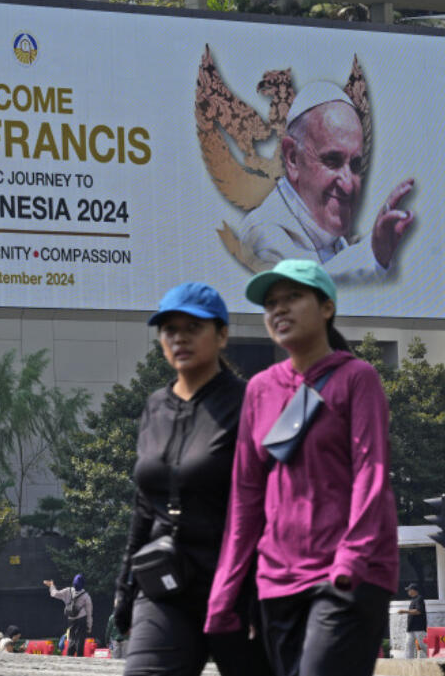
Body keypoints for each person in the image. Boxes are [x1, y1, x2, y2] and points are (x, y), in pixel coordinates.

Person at [205, 260, 399, 676]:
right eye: (271, 303)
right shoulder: (260, 389)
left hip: (347, 577)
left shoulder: (357, 378)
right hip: (276, 581)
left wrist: (351, 560)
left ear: (326, 307)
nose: (279, 309)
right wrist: (226, 586)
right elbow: (246, 497)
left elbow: (372, 473)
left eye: (294, 297)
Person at [114, 281, 269, 676]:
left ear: (221, 334)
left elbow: (271, 503)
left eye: (192, 327)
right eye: (169, 329)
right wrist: (125, 587)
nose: (179, 338)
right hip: (165, 585)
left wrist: (259, 590)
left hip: (237, 587)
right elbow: (144, 504)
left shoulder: (249, 401)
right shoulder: (155, 406)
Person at [237, 82, 414, 283]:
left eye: (355, 165)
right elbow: (305, 296)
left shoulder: (330, 237)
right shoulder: (262, 233)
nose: (348, 185)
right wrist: (373, 252)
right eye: (332, 161)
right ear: (293, 158)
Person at [44, 575, 92, 656]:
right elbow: (89, 612)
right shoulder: (85, 596)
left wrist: (52, 585)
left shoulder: (67, 591)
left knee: (71, 638)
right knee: (80, 639)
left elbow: (54, 594)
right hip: (81, 619)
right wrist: (89, 626)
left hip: (71, 619)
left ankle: (70, 655)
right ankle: (80, 656)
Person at [399, 584, 427, 658]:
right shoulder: (413, 600)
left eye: (409, 590)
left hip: (419, 627)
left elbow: (418, 611)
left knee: (423, 645)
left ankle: (434, 658)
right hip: (411, 627)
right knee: (408, 645)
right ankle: (409, 662)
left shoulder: (419, 599)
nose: (408, 592)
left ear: (413, 590)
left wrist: (404, 611)